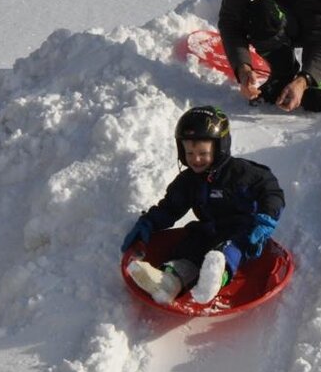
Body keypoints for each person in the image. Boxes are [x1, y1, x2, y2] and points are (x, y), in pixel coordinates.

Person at [120, 106, 285, 305]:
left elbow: (271, 191)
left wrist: (266, 219)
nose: (195, 159)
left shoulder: (242, 173)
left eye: (202, 153)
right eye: (189, 153)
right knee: (189, 248)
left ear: (219, 148)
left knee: (229, 250)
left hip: (242, 232)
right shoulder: (188, 180)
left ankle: (215, 279)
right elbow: (170, 207)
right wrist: (148, 223)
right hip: (208, 230)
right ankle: (169, 283)